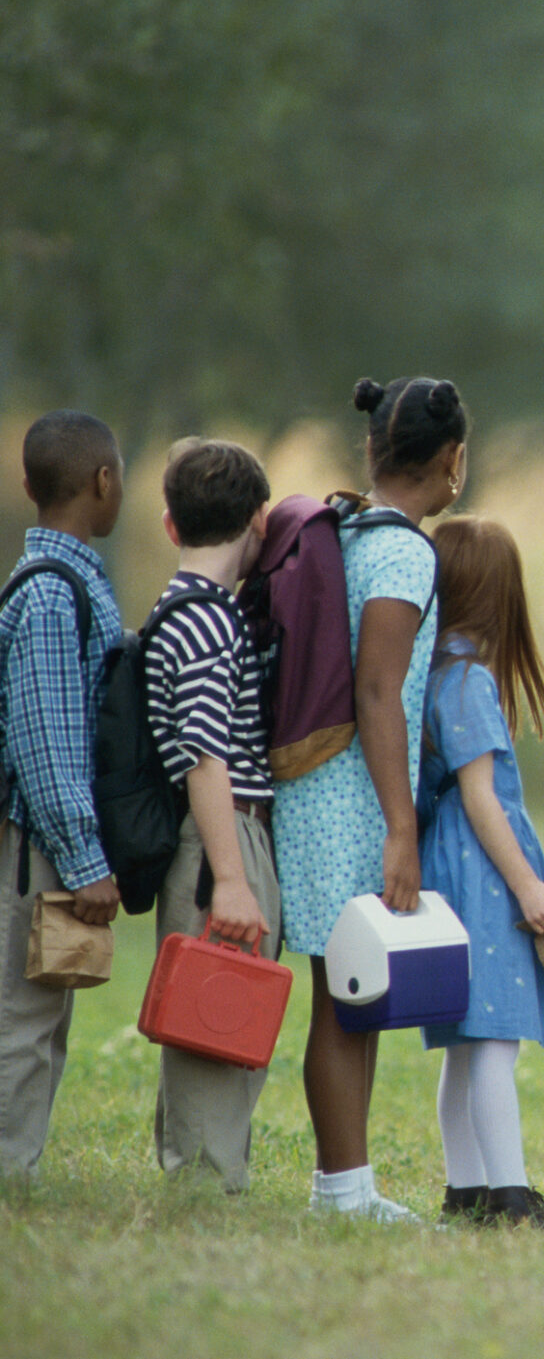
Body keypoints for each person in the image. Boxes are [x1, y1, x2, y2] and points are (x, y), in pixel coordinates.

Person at [273, 376, 467, 1221]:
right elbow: (380, 690)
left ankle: (346, 1184)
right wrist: (401, 827)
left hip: (316, 784)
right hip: (355, 795)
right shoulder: (406, 553)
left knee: (347, 988)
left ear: (372, 451)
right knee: (346, 998)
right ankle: (342, 1189)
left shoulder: (347, 529)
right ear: (453, 462)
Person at [418, 514, 544, 1228]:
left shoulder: (439, 669)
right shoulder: (467, 679)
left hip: (456, 863)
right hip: (481, 871)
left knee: (466, 1043)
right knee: (494, 1038)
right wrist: (528, 882)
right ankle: (510, 1195)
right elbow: (480, 796)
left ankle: (466, 1190)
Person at [143, 438, 279, 1192]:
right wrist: (229, 877)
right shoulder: (204, 621)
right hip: (221, 837)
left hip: (230, 832)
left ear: (171, 524)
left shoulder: (205, 612)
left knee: (228, 1012)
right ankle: (204, 1183)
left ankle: (211, 1171)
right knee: (214, 1015)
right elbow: (204, 754)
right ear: (259, 519)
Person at [0, 411, 125, 1178]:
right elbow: (46, 743)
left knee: (42, 1013)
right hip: (40, 843)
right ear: (103, 482)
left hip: (50, 839)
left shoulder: (61, 581)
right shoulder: (52, 595)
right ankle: (10, 1173)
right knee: (22, 1015)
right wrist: (83, 859)